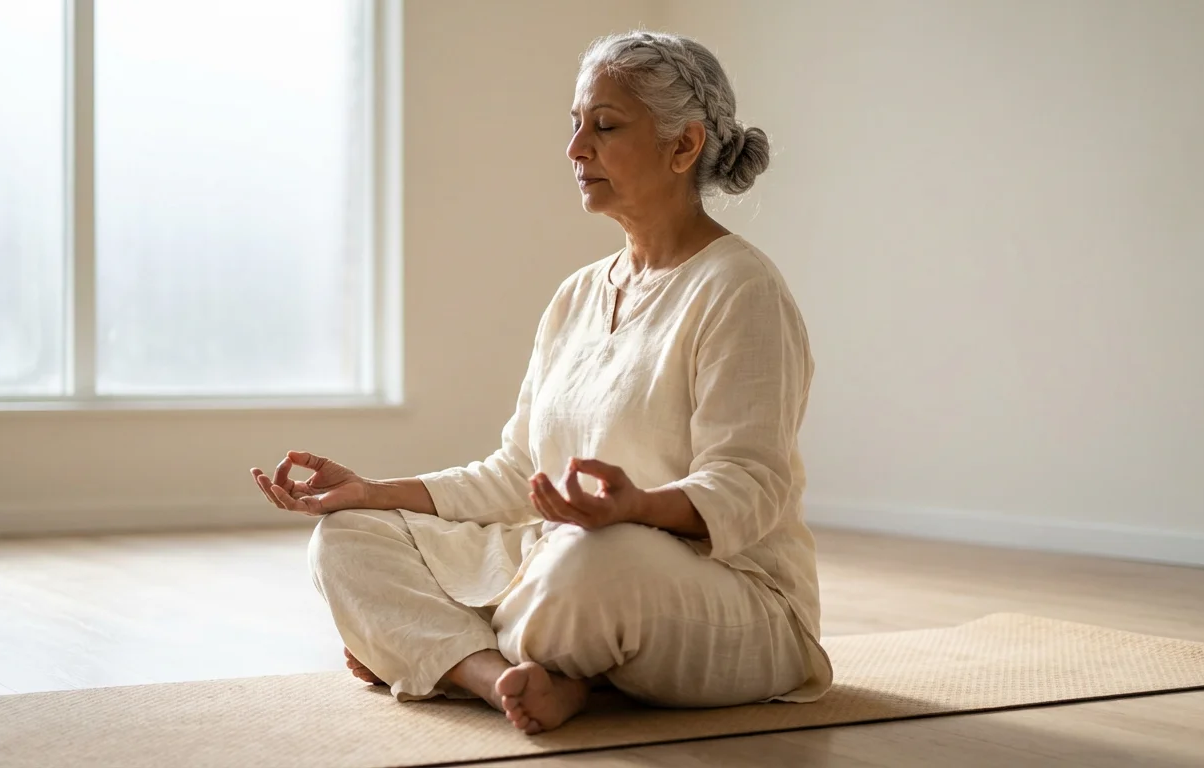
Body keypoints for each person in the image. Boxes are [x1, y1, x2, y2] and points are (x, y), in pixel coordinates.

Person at [250, 30, 833, 735]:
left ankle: (432, 651)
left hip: (719, 596)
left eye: (605, 126)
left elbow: (749, 487)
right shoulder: (576, 296)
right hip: (557, 566)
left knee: (594, 559)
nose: (576, 148)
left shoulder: (740, 288)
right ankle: (506, 680)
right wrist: (376, 492)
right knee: (348, 538)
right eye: (576, 124)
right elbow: (517, 472)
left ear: (683, 148)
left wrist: (639, 508)